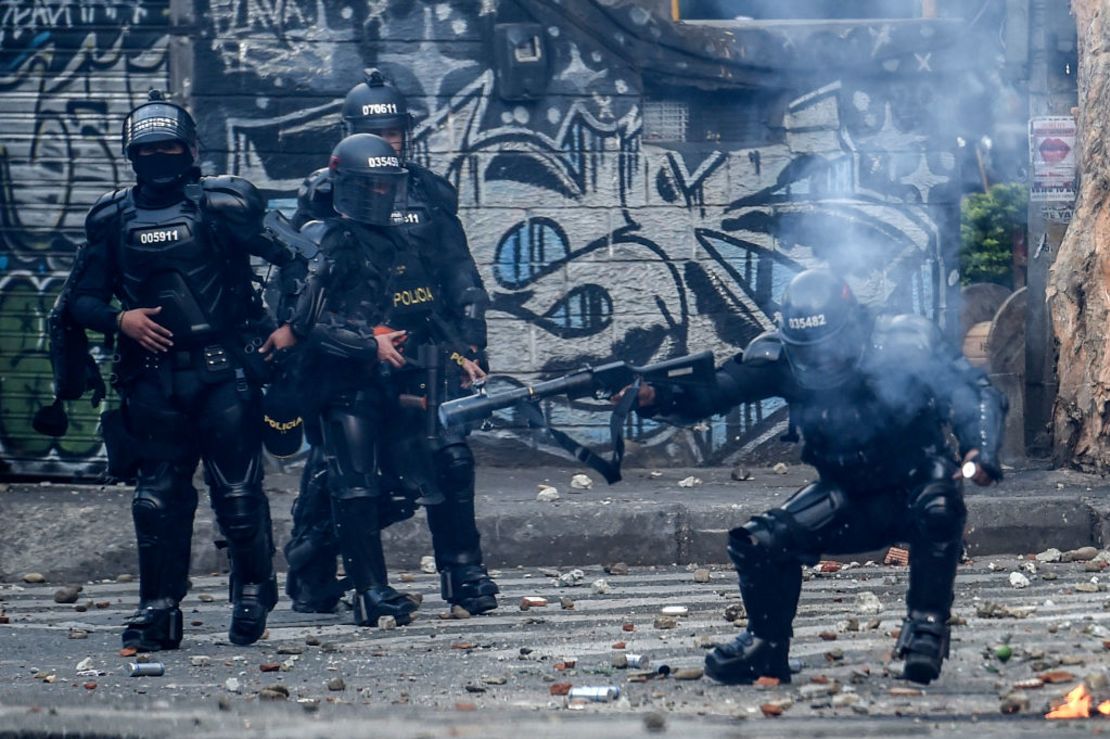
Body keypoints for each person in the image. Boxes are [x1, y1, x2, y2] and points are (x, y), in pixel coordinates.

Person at [631, 269, 1006, 686]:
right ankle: (766, 647)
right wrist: (653, 396)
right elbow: (716, 391)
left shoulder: (905, 341)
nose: (820, 361)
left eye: (828, 349)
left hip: (917, 482)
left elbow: (974, 391)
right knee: (759, 542)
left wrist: (980, 448)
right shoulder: (780, 356)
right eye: (809, 351)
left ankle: (927, 627)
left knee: (939, 506)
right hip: (849, 496)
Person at [67, 90, 299, 650]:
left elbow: (303, 257)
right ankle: (158, 609)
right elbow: (79, 299)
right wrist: (121, 321)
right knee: (156, 501)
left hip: (223, 374)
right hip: (151, 379)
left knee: (239, 497)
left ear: (190, 150)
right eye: (148, 150)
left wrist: (288, 327)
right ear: (131, 154)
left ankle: (252, 592)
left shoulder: (225, 205)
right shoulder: (111, 218)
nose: (160, 158)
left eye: (169, 147)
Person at [280, 69, 497, 617]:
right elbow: (306, 283)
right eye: (380, 131)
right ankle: (314, 567)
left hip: (423, 348)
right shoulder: (326, 192)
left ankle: (465, 574)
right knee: (343, 473)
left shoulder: (428, 190)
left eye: (397, 131)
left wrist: (469, 344)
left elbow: (459, 274)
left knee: (448, 459)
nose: (390, 142)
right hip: (350, 354)